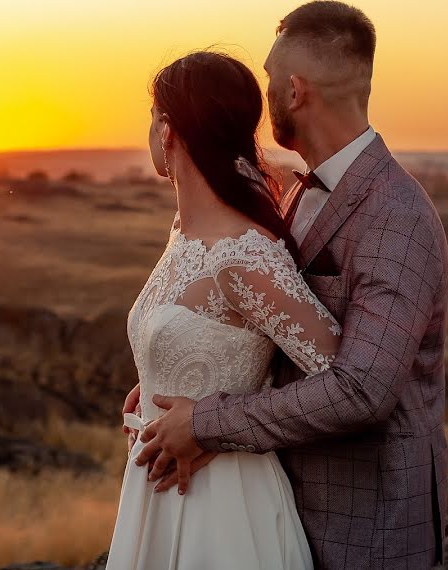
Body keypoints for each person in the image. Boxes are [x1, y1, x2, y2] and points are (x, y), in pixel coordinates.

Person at [125, 2, 448, 569]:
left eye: (272, 80)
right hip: (272, 495)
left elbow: (361, 389)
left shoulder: (397, 216)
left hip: (363, 525)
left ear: (295, 90)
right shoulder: (294, 194)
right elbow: (262, 333)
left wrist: (205, 421)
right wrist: (176, 370)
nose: (262, 97)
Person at [105, 48, 340, 569]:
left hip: (225, 502)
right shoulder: (184, 234)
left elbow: (340, 379)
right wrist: (157, 377)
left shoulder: (244, 254)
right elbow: (209, 341)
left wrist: (219, 424)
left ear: (167, 130)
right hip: (158, 491)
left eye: (151, 119)